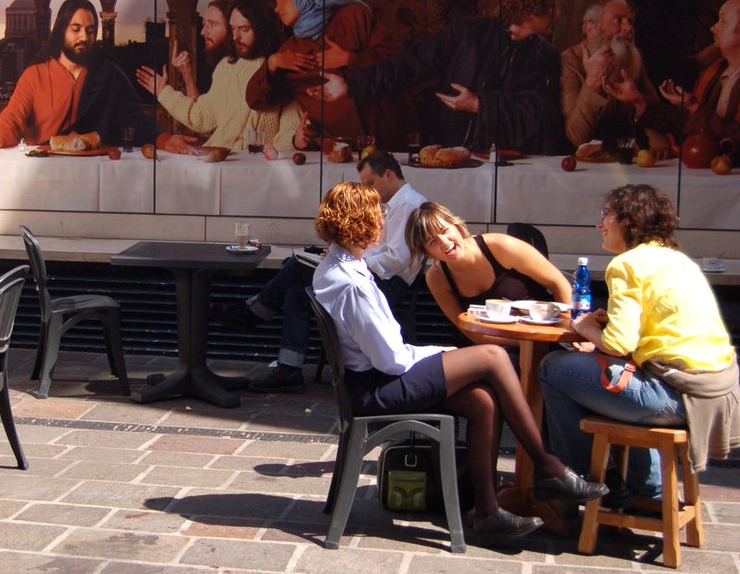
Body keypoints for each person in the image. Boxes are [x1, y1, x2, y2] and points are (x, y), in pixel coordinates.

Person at [312, 182, 607, 540]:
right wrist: (442, 354)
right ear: (362, 222)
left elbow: (389, 352)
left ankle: (487, 512)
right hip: (377, 388)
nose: (382, 220)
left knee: (483, 399)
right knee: (494, 356)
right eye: (378, 213)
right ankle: (548, 466)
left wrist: (439, 355)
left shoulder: (339, 266)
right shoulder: (352, 283)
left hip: (376, 377)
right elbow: (392, 360)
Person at [539, 185, 740, 505]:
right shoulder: (678, 260)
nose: (600, 224)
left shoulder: (627, 264)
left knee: (553, 367)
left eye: (607, 215)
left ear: (629, 221)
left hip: (672, 394)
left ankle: (581, 478)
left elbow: (618, 344)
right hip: (713, 393)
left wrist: (584, 327)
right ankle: (649, 493)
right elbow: (663, 326)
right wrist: (606, 324)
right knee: (619, 374)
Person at [229, 151, 429, 393]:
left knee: (296, 266)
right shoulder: (393, 204)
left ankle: (253, 313)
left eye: (370, 184)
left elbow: (396, 260)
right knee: (296, 292)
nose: (370, 191)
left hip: (388, 284)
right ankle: (288, 368)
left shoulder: (407, 205)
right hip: (369, 274)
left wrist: (355, 256)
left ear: (388, 175)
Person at [328, 0, 564, 154]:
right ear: (532, 8)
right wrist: (353, 86)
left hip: (509, 160)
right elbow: (411, 64)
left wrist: (479, 105)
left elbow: (541, 112)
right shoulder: (467, 33)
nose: (557, 16)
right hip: (450, 151)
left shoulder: (545, 55)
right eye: (552, 9)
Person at [0, 0, 198, 154]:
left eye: (90, 31)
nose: (84, 36)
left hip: (99, 170)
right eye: (76, 29)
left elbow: (136, 120)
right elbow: (12, 118)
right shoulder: (35, 76)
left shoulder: (110, 75)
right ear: (61, 30)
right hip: (45, 171)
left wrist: (166, 140)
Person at [643, 0, 740, 227]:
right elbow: (691, 126)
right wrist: (638, 102)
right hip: (713, 194)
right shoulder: (717, 73)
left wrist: (695, 107)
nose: (714, 27)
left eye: (723, 21)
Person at [244, 0, 407, 150]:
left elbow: (400, 64)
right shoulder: (290, 50)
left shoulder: (355, 16)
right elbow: (255, 101)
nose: (277, 8)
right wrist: (272, 64)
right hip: (341, 147)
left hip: (386, 130)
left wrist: (350, 59)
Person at [136, 0, 301, 150]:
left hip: (259, 167)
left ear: (261, 28)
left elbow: (289, 133)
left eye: (244, 29)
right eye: (233, 28)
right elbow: (202, 119)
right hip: (220, 158)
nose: (235, 37)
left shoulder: (280, 66)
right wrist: (164, 92)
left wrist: (294, 141)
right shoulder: (226, 66)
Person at [405, 202, 572, 334]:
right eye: (433, 242)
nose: (444, 242)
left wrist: (568, 331)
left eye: (444, 230)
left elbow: (558, 282)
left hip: (542, 337)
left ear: (456, 225)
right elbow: (466, 329)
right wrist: (517, 342)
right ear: (427, 253)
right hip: (490, 350)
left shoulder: (500, 246)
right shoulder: (437, 278)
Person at [559, 0, 668, 153]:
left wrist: (659, 141)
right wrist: (592, 82)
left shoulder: (633, 57)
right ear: (591, 29)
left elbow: (655, 113)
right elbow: (576, 138)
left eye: (630, 21)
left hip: (630, 164)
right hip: (586, 170)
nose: (628, 28)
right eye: (618, 20)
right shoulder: (569, 62)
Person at [152, 0, 235, 100]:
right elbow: (202, 112)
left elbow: (203, 116)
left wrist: (164, 95)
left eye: (212, 24)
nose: (203, 32)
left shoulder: (237, 71)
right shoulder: (225, 65)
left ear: (233, 28)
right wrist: (187, 74)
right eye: (205, 24)